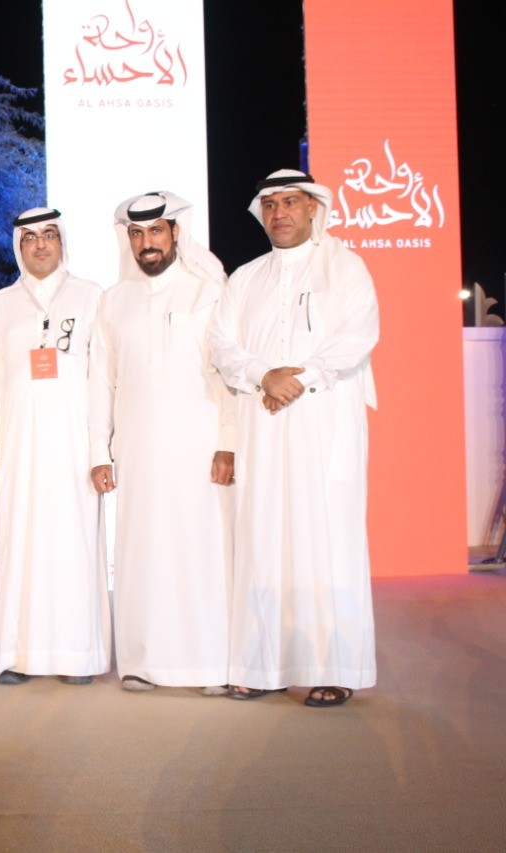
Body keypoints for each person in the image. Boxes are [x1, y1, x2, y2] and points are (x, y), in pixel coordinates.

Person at [207, 170, 379, 707]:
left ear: (312, 209)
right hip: (262, 420)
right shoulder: (245, 277)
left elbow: (359, 335)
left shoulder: (345, 267)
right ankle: (264, 666)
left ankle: (334, 667)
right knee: (262, 536)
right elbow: (221, 344)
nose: (279, 212)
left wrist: (298, 380)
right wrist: (265, 376)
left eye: (290, 202)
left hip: (323, 420)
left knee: (325, 538)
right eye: (270, 204)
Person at [89, 192, 236, 696]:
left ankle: (211, 663)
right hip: (137, 452)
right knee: (142, 551)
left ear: (175, 232)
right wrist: (99, 451)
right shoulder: (114, 300)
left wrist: (229, 442)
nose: (146, 243)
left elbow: (228, 375)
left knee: (202, 551)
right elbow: (102, 382)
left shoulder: (209, 291)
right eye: (136, 233)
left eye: (155, 231)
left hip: (200, 448)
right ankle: (142, 662)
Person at [0, 208, 110, 686]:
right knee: (20, 544)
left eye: (49, 235)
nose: (40, 245)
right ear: (19, 246)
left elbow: (101, 377)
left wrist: (100, 449)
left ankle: (76, 656)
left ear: (62, 243)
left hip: (74, 443)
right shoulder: (1, 303)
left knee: (72, 544)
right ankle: (20, 656)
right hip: (19, 446)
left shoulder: (90, 295)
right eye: (31, 237)